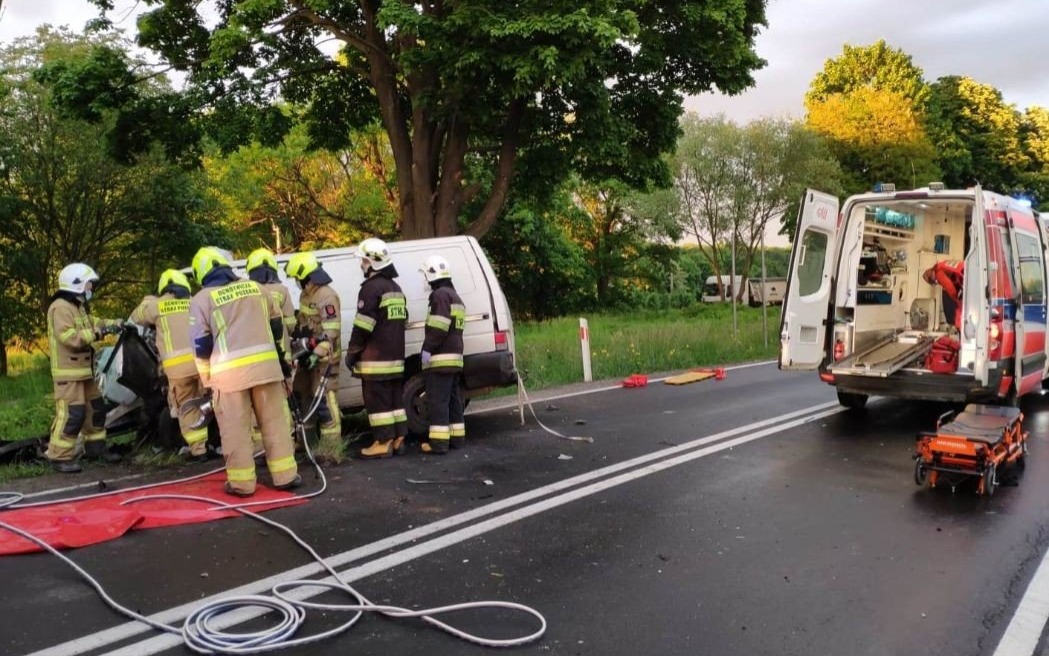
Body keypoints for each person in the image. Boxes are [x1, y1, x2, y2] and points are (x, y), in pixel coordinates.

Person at [189, 247, 300, 497]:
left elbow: (201, 346)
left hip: (229, 377)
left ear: (202, 272)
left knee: (235, 430)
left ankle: (242, 484)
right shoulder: (257, 288)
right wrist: (282, 365)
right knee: (275, 424)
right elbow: (276, 328)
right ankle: (285, 476)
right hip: (267, 370)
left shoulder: (202, 299)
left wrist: (208, 380)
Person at [45, 263, 124, 473]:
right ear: (77, 284)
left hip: (83, 371)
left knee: (96, 409)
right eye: (89, 283)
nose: (91, 287)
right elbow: (69, 338)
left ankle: (96, 449)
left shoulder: (77, 306)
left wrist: (114, 323)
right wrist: (99, 333)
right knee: (73, 413)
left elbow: (93, 322)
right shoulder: (60, 307)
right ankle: (59, 456)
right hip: (68, 373)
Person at [130, 269, 210, 461]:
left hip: (177, 370)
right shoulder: (194, 302)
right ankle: (218, 443)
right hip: (202, 365)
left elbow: (135, 317)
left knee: (187, 407)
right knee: (208, 403)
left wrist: (148, 299)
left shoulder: (157, 305)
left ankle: (199, 451)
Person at [343, 238, 408, 459]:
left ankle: (382, 442)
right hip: (396, 358)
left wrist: (352, 353)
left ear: (372, 262)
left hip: (375, 360)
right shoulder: (396, 288)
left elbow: (363, 325)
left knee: (378, 402)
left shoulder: (371, 289)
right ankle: (398, 437)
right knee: (395, 401)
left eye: (363, 260)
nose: (361, 265)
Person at [284, 252, 344, 462]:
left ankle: (331, 449)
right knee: (303, 399)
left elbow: (331, 331)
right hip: (307, 357)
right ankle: (305, 443)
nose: (296, 282)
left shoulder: (327, 296)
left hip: (325, 361)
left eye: (297, 278)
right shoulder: (307, 295)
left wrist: (317, 354)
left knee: (325, 402)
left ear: (305, 276)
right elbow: (303, 323)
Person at [246, 248, 297, 447]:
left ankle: (260, 448)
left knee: (256, 404)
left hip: (256, 357)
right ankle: (287, 444)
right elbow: (291, 324)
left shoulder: (248, 291)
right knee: (282, 401)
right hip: (281, 355)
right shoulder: (282, 291)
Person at [418, 255, 467, 455]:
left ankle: (438, 444)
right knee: (454, 400)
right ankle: (457, 439)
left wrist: (427, 348)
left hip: (440, 358)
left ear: (432, 274)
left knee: (437, 401)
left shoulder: (439, 296)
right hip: (455, 358)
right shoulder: (456, 296)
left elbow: (439, 327)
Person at [923, 259, 964, 330]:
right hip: (967, 269)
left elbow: (951, 288)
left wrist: (958, 300)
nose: (936, 283)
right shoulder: (940, 264)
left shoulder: (938, 274)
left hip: (965, 276)